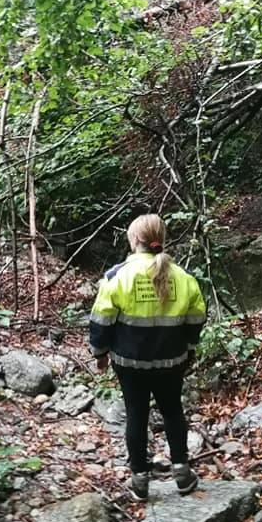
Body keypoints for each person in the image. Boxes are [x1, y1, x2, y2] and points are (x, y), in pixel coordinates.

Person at [88, 214, 207, 501]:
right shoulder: (184, 277)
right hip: (172, 361)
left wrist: (100, 353)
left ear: (134, 241)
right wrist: (190, 348)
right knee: (173, 411)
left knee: (136, 415)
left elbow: (101, 320)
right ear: (161, 240)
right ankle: (182, 472)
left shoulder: (117, 276)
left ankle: (140, 481)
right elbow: (196, 319)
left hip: (130, 363)